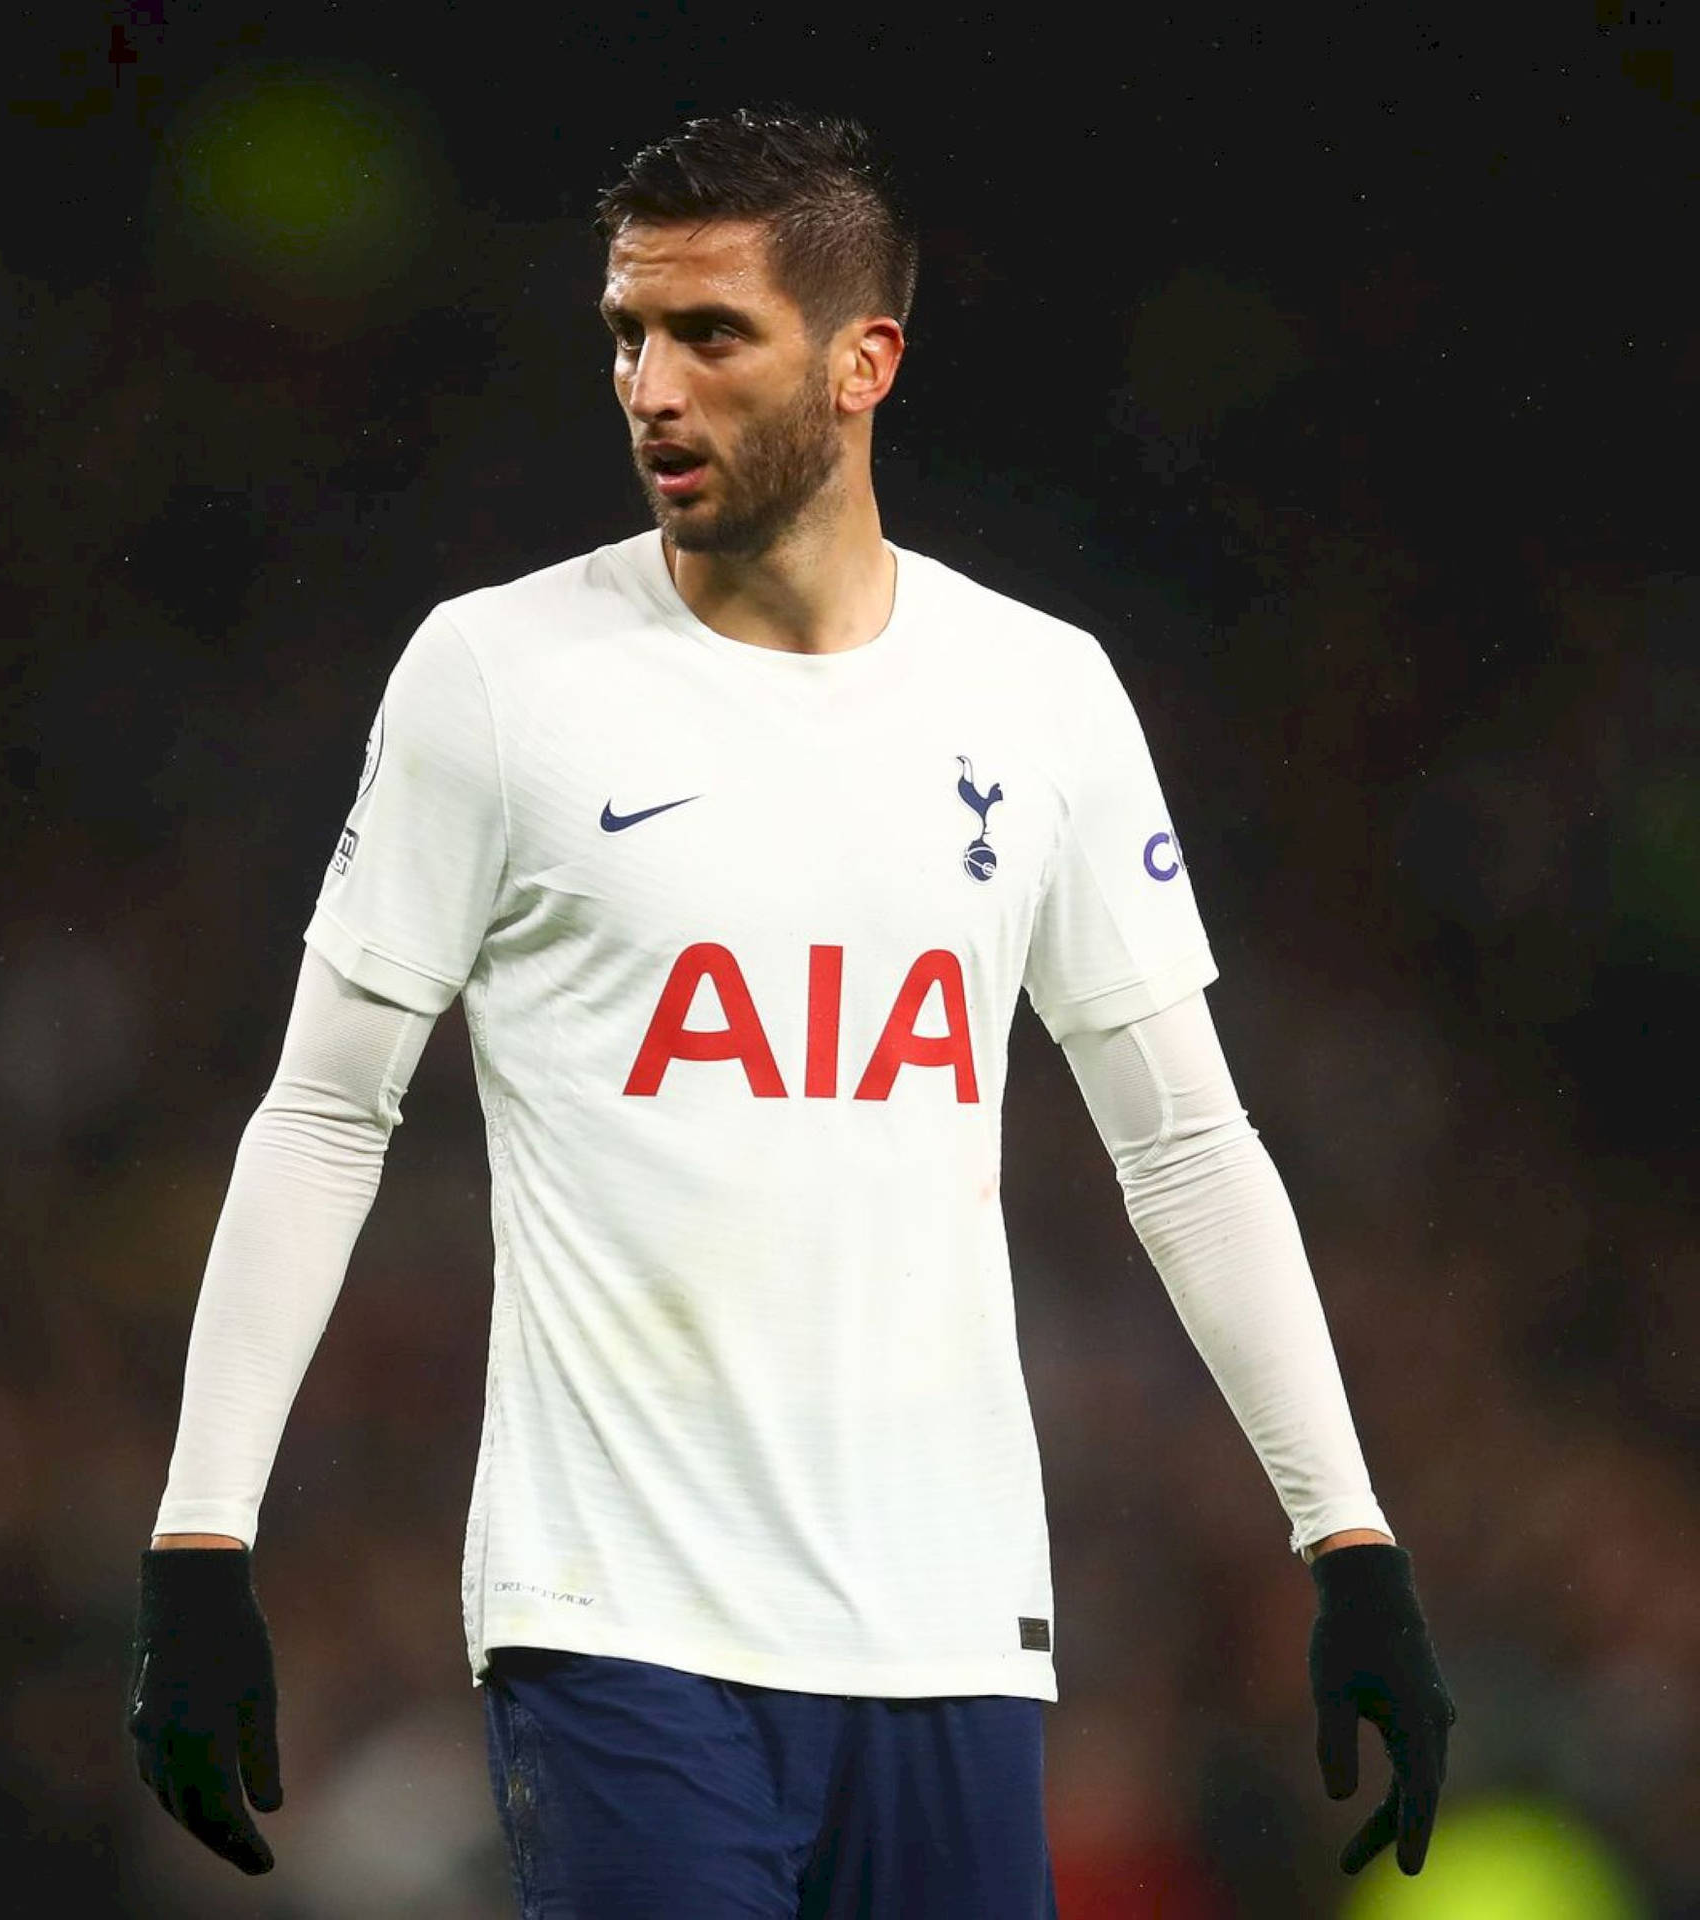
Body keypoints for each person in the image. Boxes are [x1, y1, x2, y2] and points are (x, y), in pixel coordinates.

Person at [127, 107, 1455, 1917]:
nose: (649, 388)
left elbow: (1187, 1146)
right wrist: (203, 1538)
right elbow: (325, 1113)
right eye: (625, 334)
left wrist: (1350, 1538)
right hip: (618, 1625)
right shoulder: (497, 677)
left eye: (710, 335)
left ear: (863, 363)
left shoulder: (1041, 693)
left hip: (954, 1630)